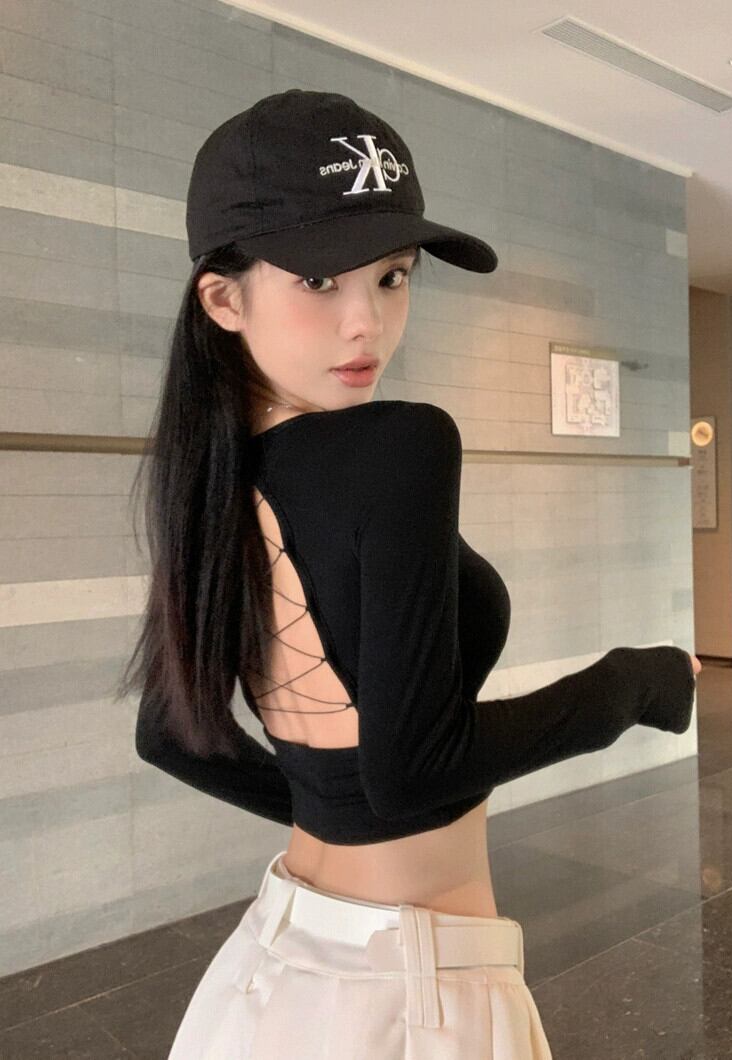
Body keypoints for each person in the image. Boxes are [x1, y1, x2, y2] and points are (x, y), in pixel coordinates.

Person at [122, 89, 701, 1059]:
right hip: (409, 995)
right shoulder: (399, 445)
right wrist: (633, 684)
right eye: (319, 280)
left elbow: (169, 736)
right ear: (222, 299)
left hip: (275, 960)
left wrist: (333, 809)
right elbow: (414, 769)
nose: (367, 323)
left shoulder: (213, 473)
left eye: (392, 277)